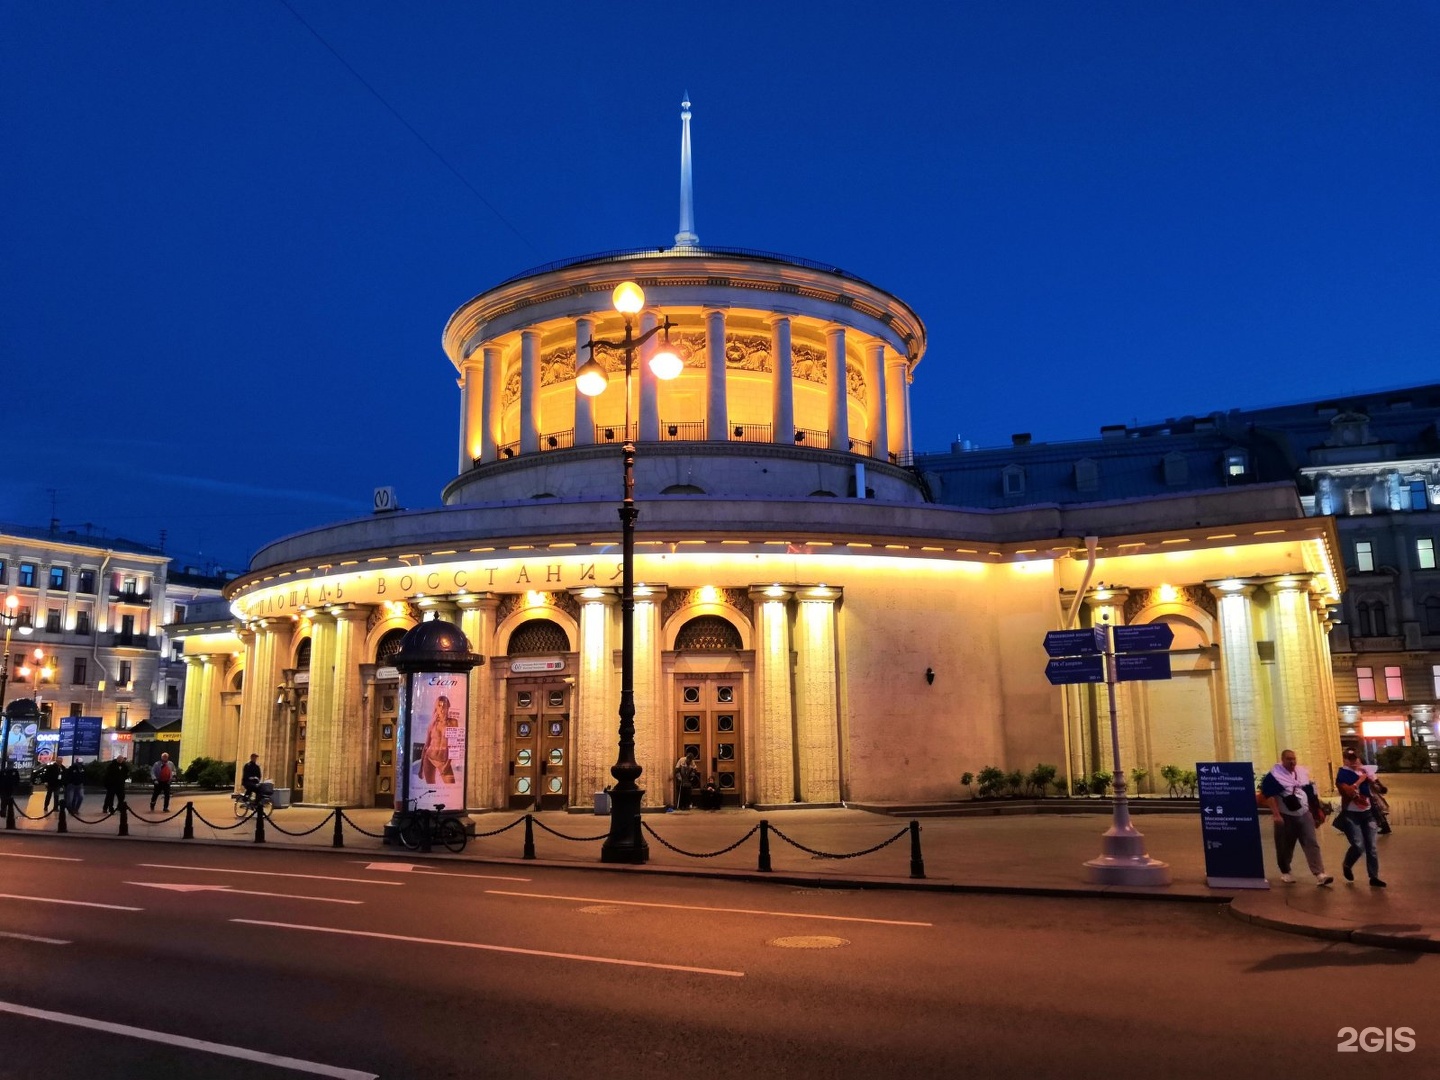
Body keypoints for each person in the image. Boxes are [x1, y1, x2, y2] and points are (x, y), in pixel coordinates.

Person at [1260, 749, 1332, 886]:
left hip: (1304, 813)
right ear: (1282, 759)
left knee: (1311, 842)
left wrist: (1316, 811)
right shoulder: (1274, 775)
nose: (1292, 761)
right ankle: (1286, 871)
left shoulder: (1301, 773)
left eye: (1294, 758)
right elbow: (1267, 795)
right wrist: (1276, 814)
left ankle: (1320, 873)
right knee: (1285, 845)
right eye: (1288, 759)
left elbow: (1309, 792)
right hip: (1285, 816)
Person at [1335, 747, 1385, 887]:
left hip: (1368, 812)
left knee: (1371, 846)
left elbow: (1380, 789)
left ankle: (1373, 876)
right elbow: (1348, 792)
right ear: (1345, 760)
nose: (1353, 762)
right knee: (1358, 845)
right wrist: (1360, 780)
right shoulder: (1343, 774)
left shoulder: (1365, 771)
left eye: (1355, 759)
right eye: (1349, 759)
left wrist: (1374, 780)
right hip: (1351, 813)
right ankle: (1347, 864)